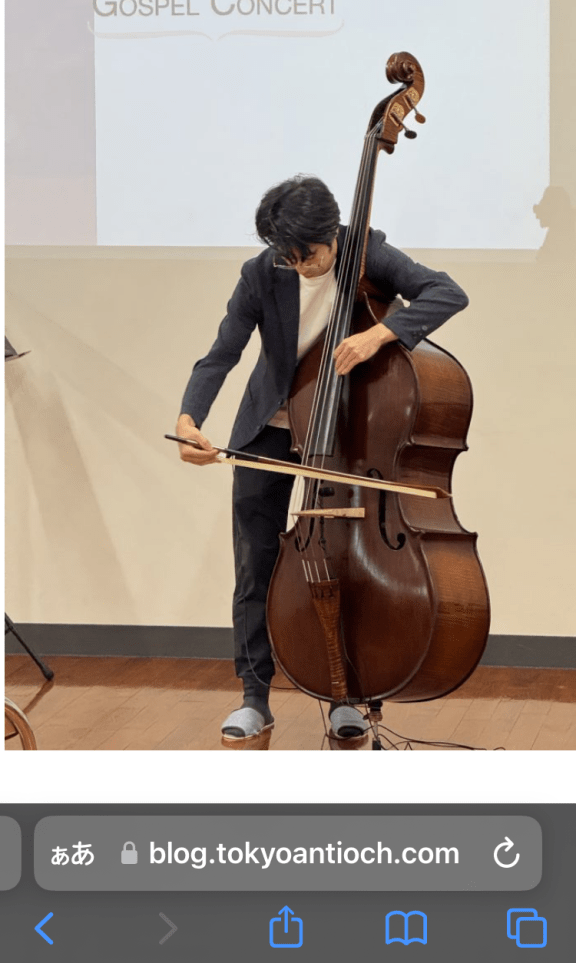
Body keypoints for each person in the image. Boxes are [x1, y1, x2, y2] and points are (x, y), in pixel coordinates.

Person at [176, 176, 468, 741]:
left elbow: (447, 292)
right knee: (254, 564)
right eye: (287, 255)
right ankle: (254, 697)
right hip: (269, 425)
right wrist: (190, 420)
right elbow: (222, 353)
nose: (299, 265)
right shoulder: (262, 272)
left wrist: (381, 335)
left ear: (332, 232)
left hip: (343, 433)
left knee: (344, 565)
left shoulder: (368, 252)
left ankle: (346, 694)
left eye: (307, 254)